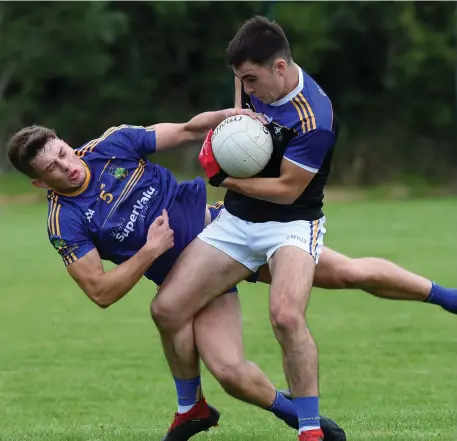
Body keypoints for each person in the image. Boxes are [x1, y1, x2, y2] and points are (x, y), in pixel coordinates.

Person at [150, 16, 457, 441]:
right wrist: (222, 125)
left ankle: (310, 430)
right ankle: (192, 408)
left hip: (291, 225)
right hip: (237, 223)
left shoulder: (315, 118)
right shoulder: (251, 80)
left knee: (287, 315)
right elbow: (235, 103)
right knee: (166, 309)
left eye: (252, 79)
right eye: (242, 80)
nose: (248, 89)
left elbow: (288, 190)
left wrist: (223, 176)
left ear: (280, 67)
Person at [6, 112, 346, 441]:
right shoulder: (64, 220)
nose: (67, 167)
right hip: (190, 285)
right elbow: (100, 292)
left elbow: (185, 131)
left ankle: (191, 407)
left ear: (65, 143)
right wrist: (150, 251)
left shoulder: (112, 144)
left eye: (63, 154)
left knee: (347, 273)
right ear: (39, 182)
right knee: (229, 372)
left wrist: (227, 114)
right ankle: (302, 420)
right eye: (53, 168)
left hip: (226, 234)